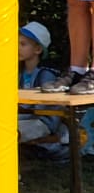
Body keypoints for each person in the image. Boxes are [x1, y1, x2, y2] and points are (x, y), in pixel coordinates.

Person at [17, 22, 65, 157]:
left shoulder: (46, 74)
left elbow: (40, 108)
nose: (17, 47)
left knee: (10, 131)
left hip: (43, 122)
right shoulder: (19, 72)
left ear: (38, 49)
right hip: (26, 117)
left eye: (23, 44)